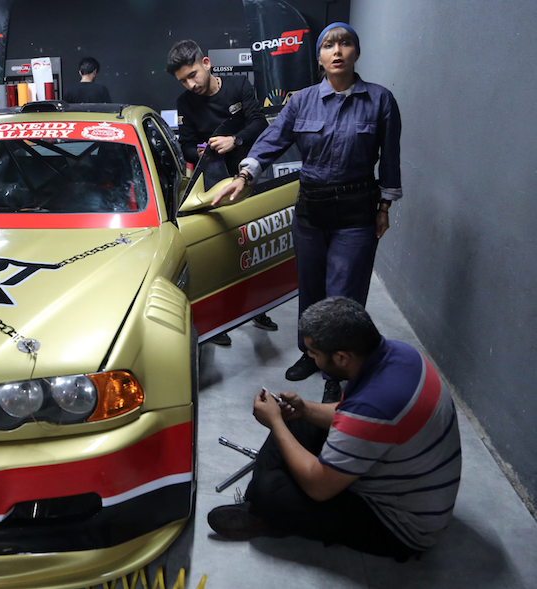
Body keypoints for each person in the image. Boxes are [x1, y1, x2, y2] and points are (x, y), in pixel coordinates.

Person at [212, 23, 401, 397]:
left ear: (356, 52)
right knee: (311, 287)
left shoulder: (380, 100)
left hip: (356, 212)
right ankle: (311, 354)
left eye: (345, 43)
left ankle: (337, 375)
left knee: (344, 296)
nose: (337, 51)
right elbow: (273, 139)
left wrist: (384, 207)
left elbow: (391, 158)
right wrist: (245, 175)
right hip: (311, 211)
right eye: (329, 45)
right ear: (319, 57)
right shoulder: (302, 102)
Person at [208, 297, 461, 561]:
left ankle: (265, 511)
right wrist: (304, 409)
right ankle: (263, 504)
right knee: (296, 420)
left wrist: (275, 423)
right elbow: (347, 414)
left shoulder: (373, 408)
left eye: (314, 353)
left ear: (341, 358)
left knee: (269, 491)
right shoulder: (400, 354)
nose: (309, 356)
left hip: (401, 525)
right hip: (401, 474)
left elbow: (319, 487)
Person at [165, 39, 277, 345]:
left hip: (246, 176)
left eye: (192, 75)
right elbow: (186, 144)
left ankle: (259, 308)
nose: (190, 85)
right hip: (211, 183)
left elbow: (259, 122)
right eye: (183, 81)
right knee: (217, 248)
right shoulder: (185, 102)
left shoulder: (239, 86)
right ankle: (217, 322)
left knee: (253, 244)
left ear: (206, 64)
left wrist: (235, 141)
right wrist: (201, 150)